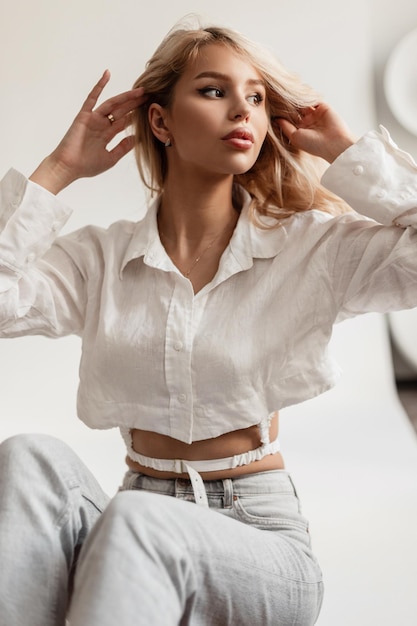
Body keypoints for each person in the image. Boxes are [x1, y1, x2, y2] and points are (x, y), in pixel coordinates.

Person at [0, 18, 416, 626]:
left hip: (260, 538)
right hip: (133, 517)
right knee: (28, 459)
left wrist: (348, 153)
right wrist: (59, 169)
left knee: (140, 524)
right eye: (215, 91)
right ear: (161, 121)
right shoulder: (101, 260)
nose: (242, 111)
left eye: (255, 97)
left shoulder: (309, 248)